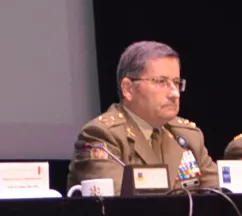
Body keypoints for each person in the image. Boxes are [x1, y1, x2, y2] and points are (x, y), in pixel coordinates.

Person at [69, 40, 215, 192]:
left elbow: (222, 196)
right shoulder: (102, 136)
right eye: (161, 82)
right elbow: (120, 203)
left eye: (176, 82)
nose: (175, 93)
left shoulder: (188, 136)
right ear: (128, 89)